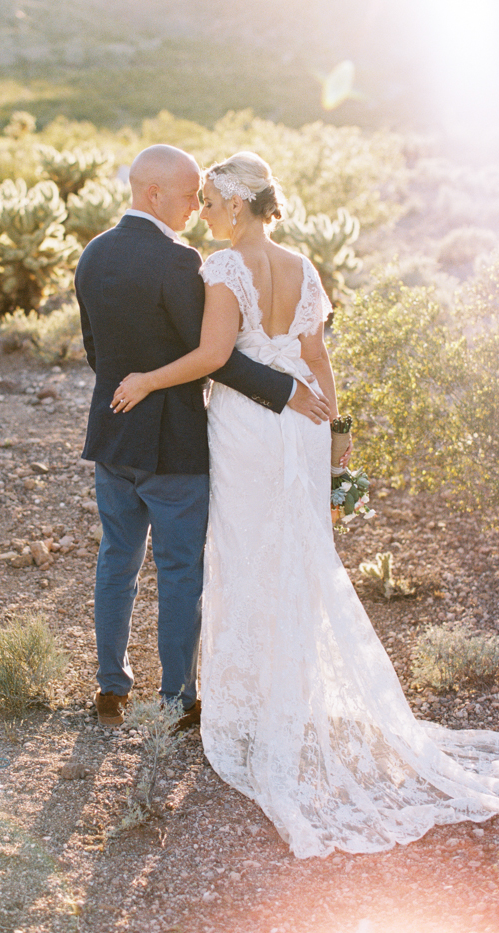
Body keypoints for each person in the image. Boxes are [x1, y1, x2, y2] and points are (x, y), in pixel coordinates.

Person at [111, 151, 499, 858]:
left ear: (235, 204)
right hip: (303, 426)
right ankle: (291, 695)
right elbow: (318, 360)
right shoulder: (303, 264)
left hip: (247, 427)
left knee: (244, 550)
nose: (202, 213)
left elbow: (212, 356)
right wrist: (338, 432)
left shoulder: (224, 269)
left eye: (211, 202)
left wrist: (146, 377)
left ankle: (251, 707)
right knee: (297, 551)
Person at [74, 145, 330, 729]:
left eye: (203, 196)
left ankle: (110, 689)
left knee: (116, 558)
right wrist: (286, 390)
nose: (196, 205)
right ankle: (176, 697)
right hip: (176, 445)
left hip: (113, 436)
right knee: (181, 569)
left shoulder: (94, 253)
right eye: (190, 194)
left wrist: (129, 390)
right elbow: (214, 358)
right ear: (153, 193)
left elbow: (96, 350)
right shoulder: (182, 263)